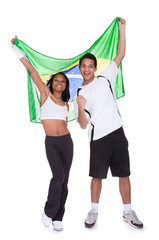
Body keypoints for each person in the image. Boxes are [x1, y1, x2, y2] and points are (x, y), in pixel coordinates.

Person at [74, 18, 143, 229]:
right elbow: (83, 125)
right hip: (98, 140)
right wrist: (79, 106)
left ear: (95, 68)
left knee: (124, 174)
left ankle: (128, 211)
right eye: (83, 66)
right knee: (97, 177)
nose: (87, 69)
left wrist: (122, 29)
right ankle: (93, 211)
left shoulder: (105, 78)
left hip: (117, 135)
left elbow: (120, 54)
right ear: (80, 68)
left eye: (90, 66)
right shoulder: (79, 93)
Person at [11, 36, 73, 231]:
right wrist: (15, 47)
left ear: (65, 85)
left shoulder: (65, 104)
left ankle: (58, 216)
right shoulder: (45, 95)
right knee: (57, 176)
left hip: (67, 142)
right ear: (51, 83)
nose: (60, 83)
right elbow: (31, 70)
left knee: (65, 180)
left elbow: (65, 124)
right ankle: (48, 210)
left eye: (63, 81)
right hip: (52, 143)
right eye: (57, 80)